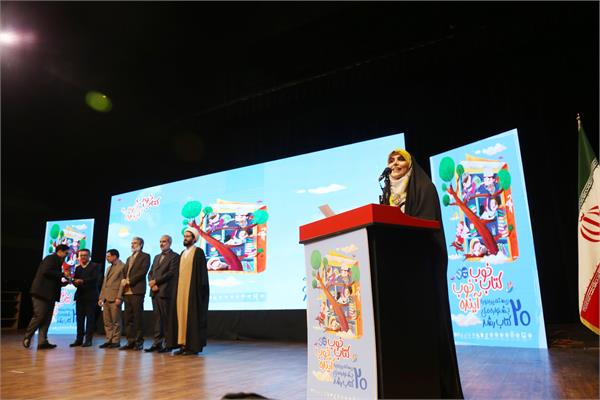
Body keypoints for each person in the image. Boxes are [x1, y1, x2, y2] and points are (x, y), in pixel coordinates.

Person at [380, 148, 464, 399]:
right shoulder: (387, 193)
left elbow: (426, 227)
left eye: (400, 159)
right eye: (391, 160)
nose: (395, 163)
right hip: (397, 270)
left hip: (422, 270)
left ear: (410, 164)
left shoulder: (425, 188)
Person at [165, 226, 209, 355]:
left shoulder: (198, 252)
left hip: (192, 292)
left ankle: (192, 347)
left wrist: (200, 292)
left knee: (191, 318)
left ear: (194, 239)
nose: (185, 238)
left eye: (188, 236)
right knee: (180, 317)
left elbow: (202, 274)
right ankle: (183, 344)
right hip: (180, 292)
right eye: (185, 236)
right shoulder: (182, 253)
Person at [23, 244, 70, 350]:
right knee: (39, 316)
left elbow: (51, 278)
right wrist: (63, 274)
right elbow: (46, 271)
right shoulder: (50, 258)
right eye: (66, 253)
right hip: (41, 293)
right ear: (60, 251)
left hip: (50, 294)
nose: (67, 255)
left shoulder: (58, 261)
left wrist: (63, 283)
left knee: (47, 318)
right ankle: (27, 336)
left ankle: (42, 341)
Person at [145, 235, 180, 353]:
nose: (161, 243)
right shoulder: (156, 257)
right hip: (154, 292)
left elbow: (171, 273)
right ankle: (157, 343)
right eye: (160, 241)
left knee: (166, 319)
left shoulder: (175, 256)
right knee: (157, 319)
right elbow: (150, 272)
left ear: (170, 243)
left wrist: (156, 282)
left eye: (164, 241)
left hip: (165, 291)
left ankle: (168, 344)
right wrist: (151, 283)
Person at [119, 236, 151, 350]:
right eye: (132, 243)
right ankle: (130, 341)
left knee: (138, 317)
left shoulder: (145, 256)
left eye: (135, 243)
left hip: (137, 290)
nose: (132, 245)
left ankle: (139, 341)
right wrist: (123, 280)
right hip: (127, 292)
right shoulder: (129, 258)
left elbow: (142, 272)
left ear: (141, 245)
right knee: (128, 318)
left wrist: (130, 281)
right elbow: (125, 272)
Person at [70, 249, 102, 347]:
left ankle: (88, 340)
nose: (83, 257)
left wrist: (82, 281)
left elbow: (95, 279)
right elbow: (76, 281)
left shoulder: (95, 266)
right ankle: (79, 339)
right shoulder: (78, 268)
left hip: (91, 296)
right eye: (81, 255)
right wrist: (73, 281)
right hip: (80, 296)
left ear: (89, 256)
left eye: (85, 255)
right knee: (79, 319)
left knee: (90, 319)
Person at [98, 249, 126, 348]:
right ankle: (108, 339)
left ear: (115, 256)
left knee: (116, 321)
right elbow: (104, 284)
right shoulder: (108, 268)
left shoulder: (123, 266)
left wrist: (119, 297)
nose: (107, 258)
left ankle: (115, 341)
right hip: (106, 297)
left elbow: (123, 284)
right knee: (107, 321)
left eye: (108, 256)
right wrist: (101, 297)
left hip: (115, 297)